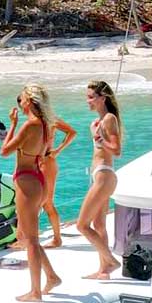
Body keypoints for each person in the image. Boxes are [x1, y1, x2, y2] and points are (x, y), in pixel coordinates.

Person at [0, 84, 62, 302]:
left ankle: (35, 292)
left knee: (32, 240)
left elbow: (4, 151)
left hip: (27, 182)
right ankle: (52, 277)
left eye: (23, 98)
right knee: (27, 236)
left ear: (30, 102)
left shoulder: (29, 125)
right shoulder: (46, 125)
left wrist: (12, 124)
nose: (20, 101)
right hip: (37, 179)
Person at [78, 80, 123, 279]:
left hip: (105, 175)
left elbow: (117, 150)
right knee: (99, 225)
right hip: (99, 175)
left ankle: (111, 261)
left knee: (82, 225)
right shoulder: (96, 123)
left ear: (102, 98)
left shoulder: (109, 119)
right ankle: (104, 270)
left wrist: (102, 140)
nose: (87, 101)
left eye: (91, 97)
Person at [39, 117, 77, 248]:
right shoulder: (33, 121)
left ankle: (57, 239)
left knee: (47, 203)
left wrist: (58, 150)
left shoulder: (51, 119)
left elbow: (72, 132)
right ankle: (26, 236)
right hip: (36, 163)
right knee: (35, 202)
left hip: (47, 161)